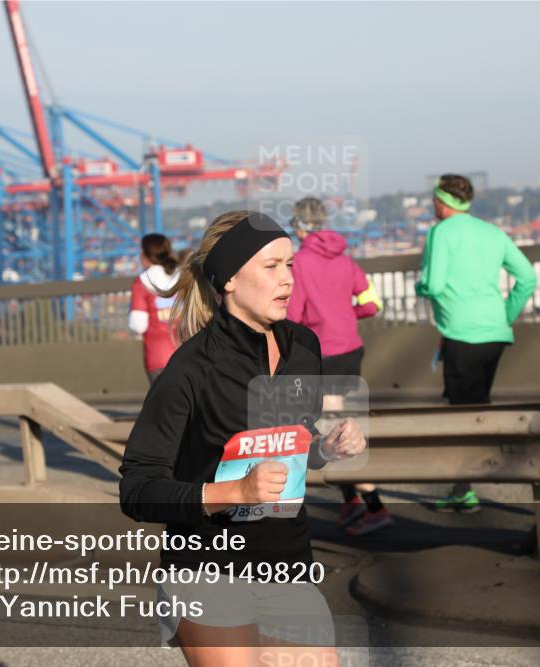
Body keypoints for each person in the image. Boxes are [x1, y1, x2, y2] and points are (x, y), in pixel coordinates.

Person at [120, 211, 366, 665]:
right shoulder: (191, 369)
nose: (287, 279)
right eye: (270, 267)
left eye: (289, 264)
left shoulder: (304, 349)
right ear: (229, 279)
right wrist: (236, 491)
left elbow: (287, 445)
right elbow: (137, 488)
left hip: (287, 561)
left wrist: (325, 449)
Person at [415, 175, 536, 512]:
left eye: (433, 200)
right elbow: (527, 277)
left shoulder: (440, 232)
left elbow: (435, 284)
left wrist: (420, 287)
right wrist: (504, 315)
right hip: (494, 332)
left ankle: (467, 487)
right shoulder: (492, 232)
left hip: (460, 333)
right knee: (477, 405)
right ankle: (463, 483)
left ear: (442, 202)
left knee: (461, 414)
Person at [286, 197, 390, 537]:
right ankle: (351, 500)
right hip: (351, 349)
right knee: (343, 423)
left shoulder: (299, 263)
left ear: (299, 226)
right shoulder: (345, 260)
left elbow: (293, 316)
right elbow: (372, 303)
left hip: (322, 353)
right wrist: (346, 316)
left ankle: (374, 505)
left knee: (333, 429)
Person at [129, 233, 181, 384]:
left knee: (164, 405)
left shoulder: (142, 283)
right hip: (187, 353)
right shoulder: (184, 277)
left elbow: (138, 325)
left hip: (158, 356)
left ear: (145, 256)